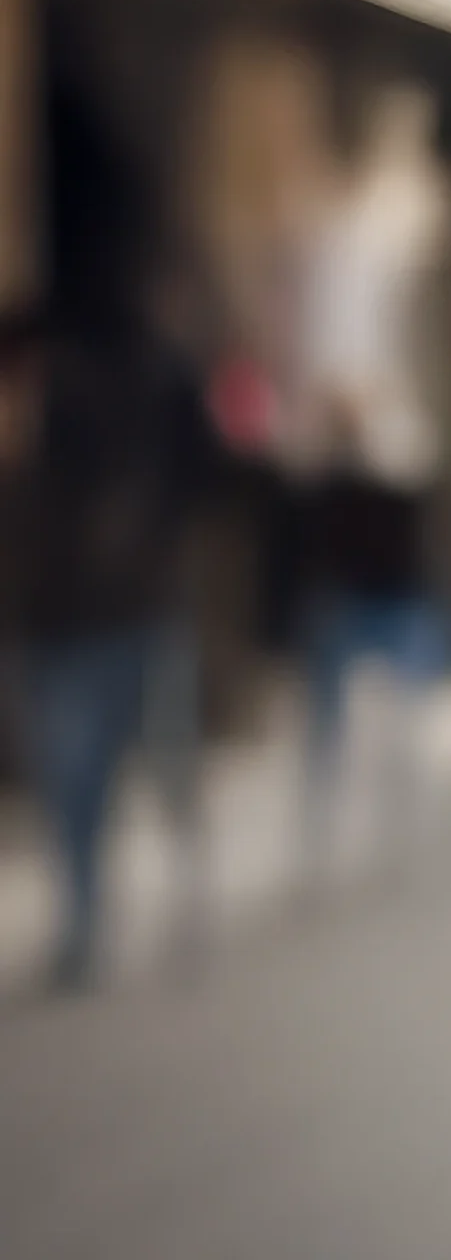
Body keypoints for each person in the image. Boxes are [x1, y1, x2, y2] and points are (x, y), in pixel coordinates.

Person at [4, 301, 217, 990]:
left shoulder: (89, 426)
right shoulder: (30, 446)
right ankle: (85, 920)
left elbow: (166, 493)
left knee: (152, 763)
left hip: (123, 618)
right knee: (73, 779)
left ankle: (176, 892)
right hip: (57, 630)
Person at [298, 392, 450, 874]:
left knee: (395, 725)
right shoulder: (323, 486)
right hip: (355, 603)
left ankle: (388, 824)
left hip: (390, 601)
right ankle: (323, 831)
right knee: (339, 726)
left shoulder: (390, 475)